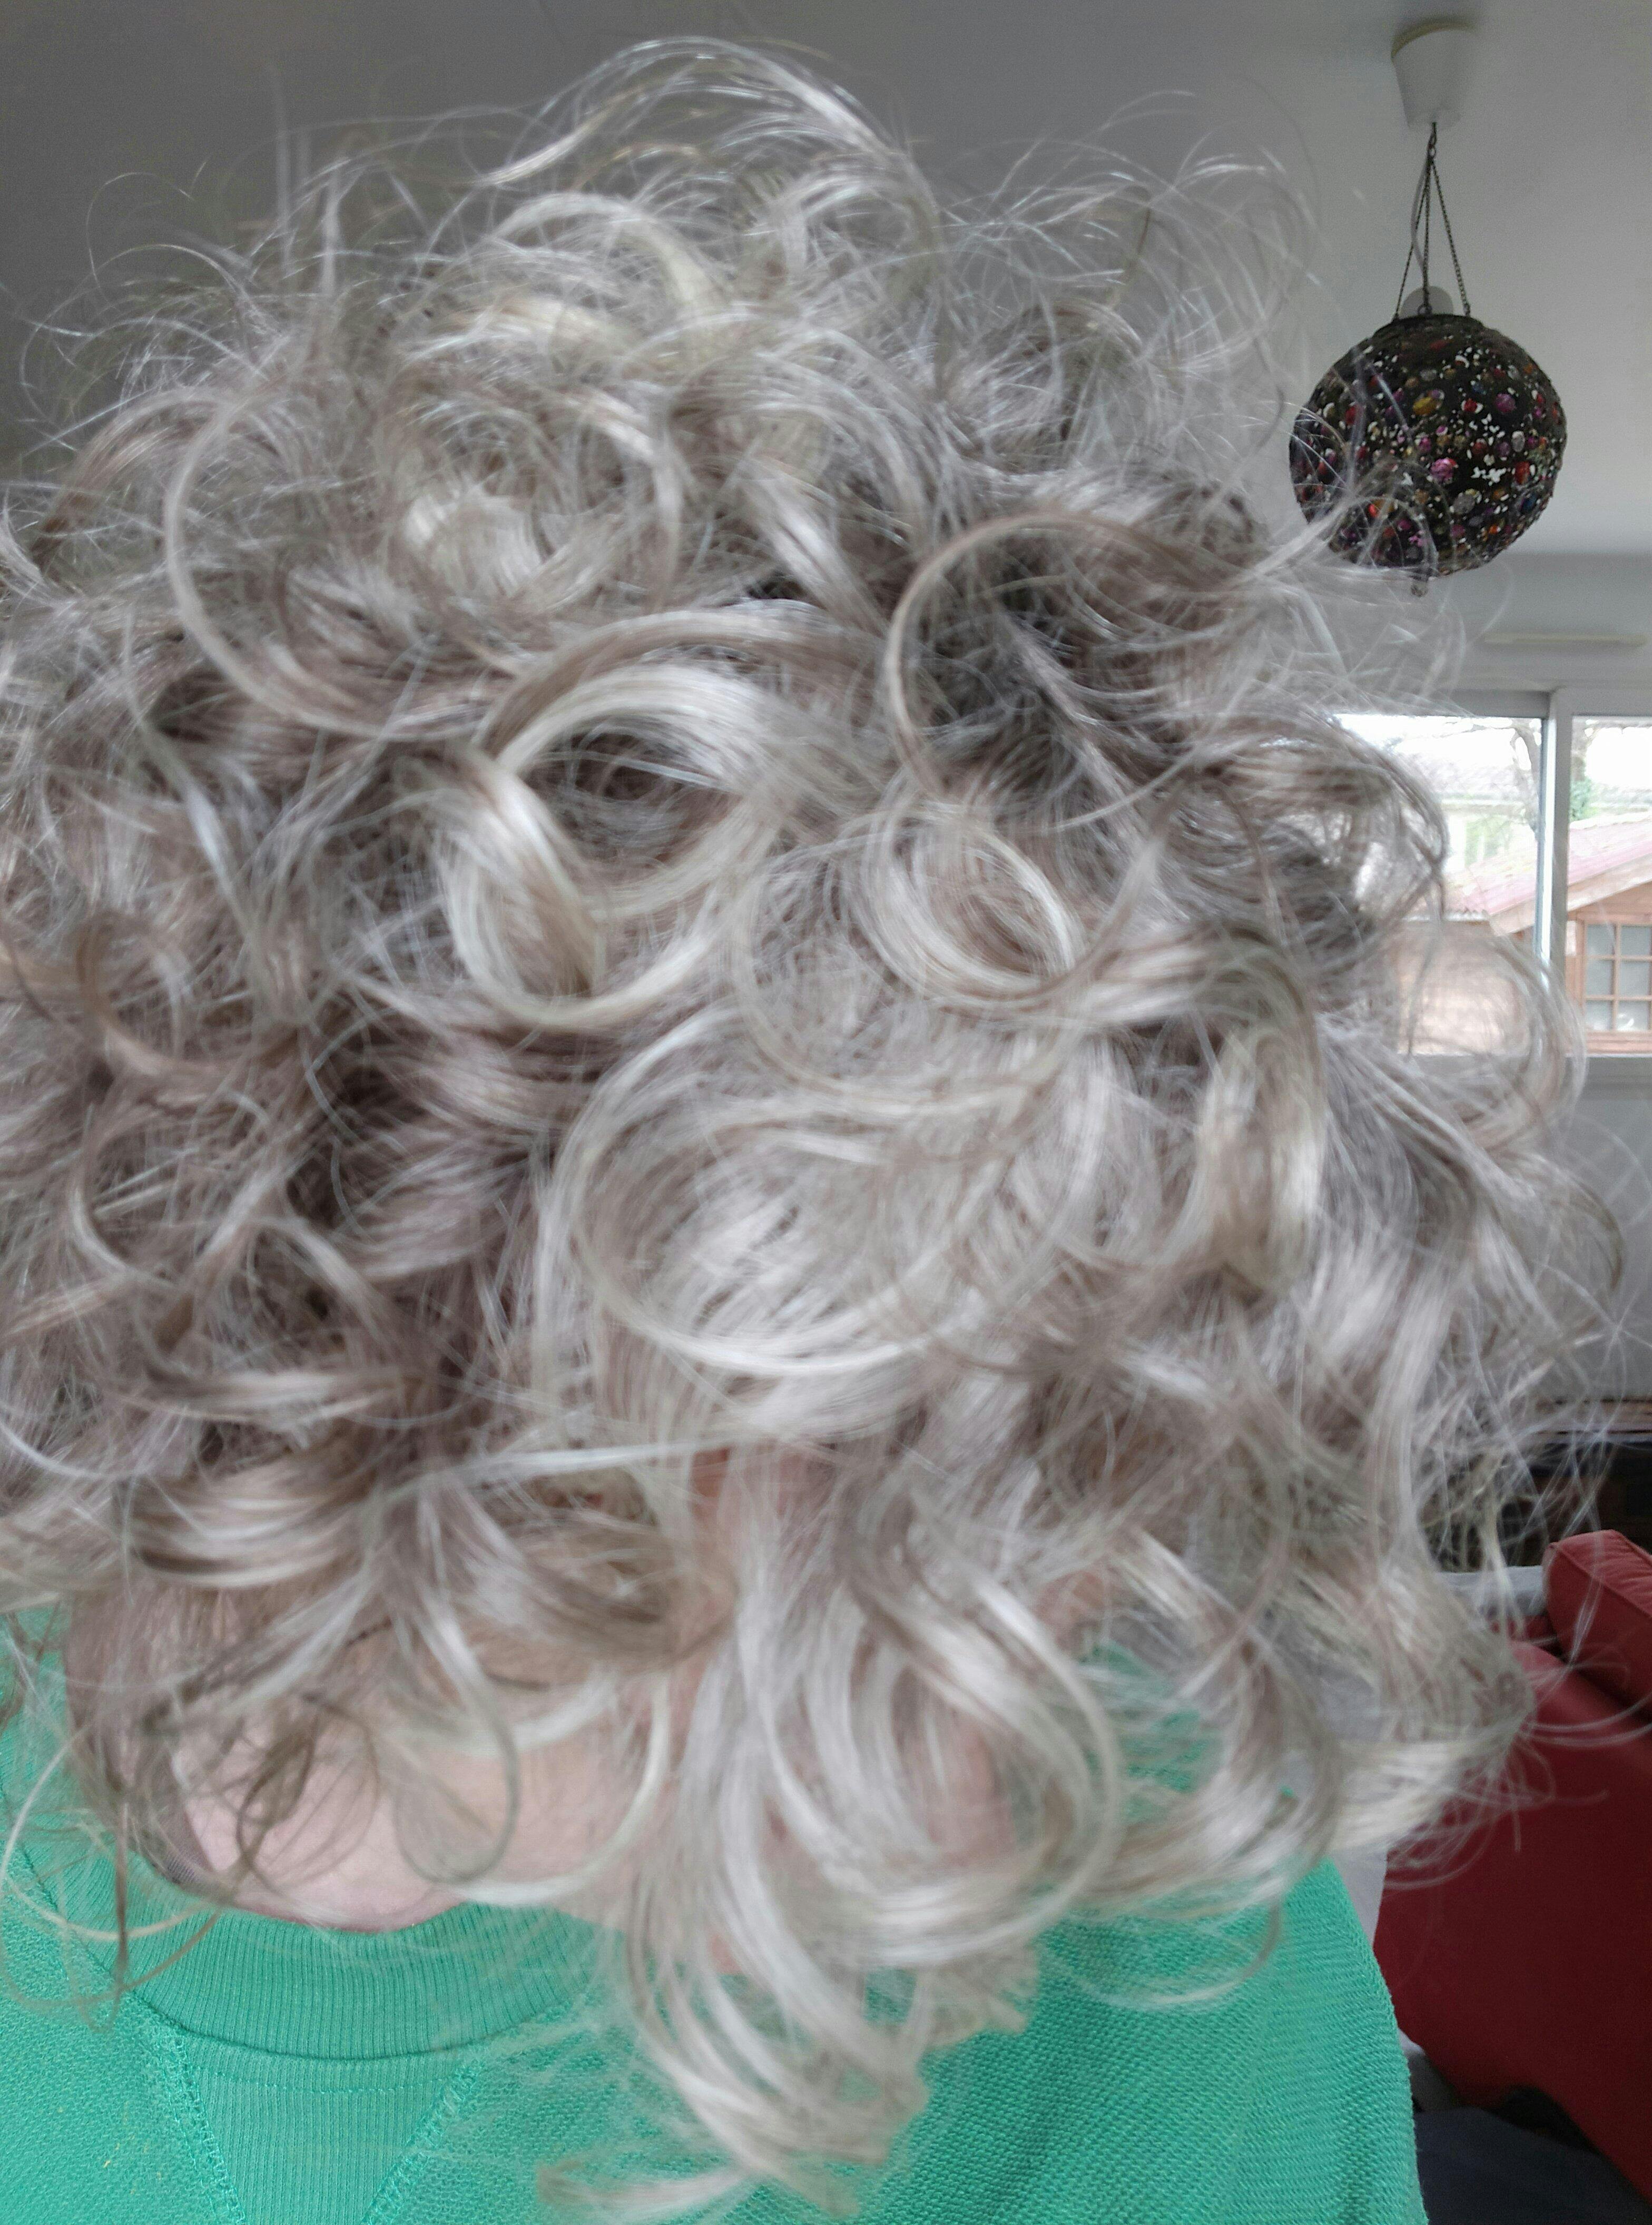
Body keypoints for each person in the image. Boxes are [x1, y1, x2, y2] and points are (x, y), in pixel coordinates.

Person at [0, 40, 1612, 2225]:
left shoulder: (1181, 1977)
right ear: (400, 1382)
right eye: (941, 1495)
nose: (1051, 1692)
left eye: (1102, 1489)